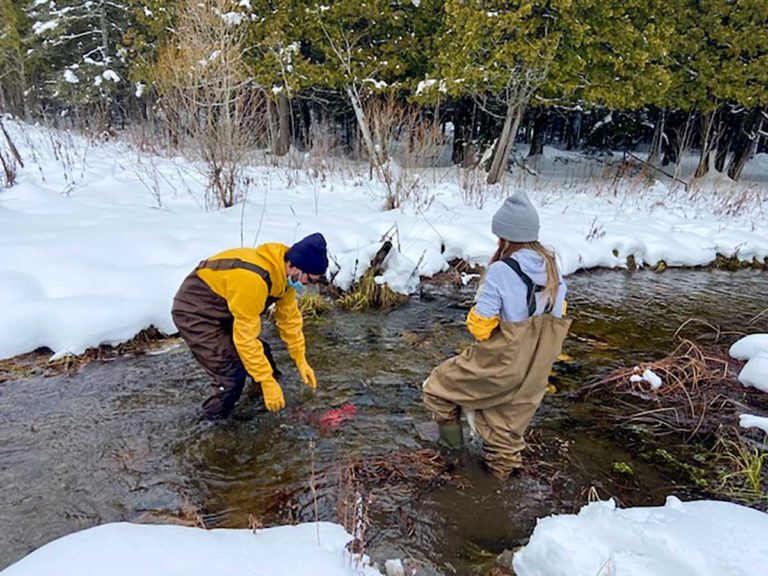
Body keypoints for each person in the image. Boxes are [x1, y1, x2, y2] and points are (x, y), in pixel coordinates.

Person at [422, 192, 571, 479]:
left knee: (438, 390)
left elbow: (481, 328)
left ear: (505, 236)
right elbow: (559, 313)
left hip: (503, 362)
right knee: (506, 436)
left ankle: (454, 459)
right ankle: (500, 491)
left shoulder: (501, 270)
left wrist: (476, 312)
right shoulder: (554, 267)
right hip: (538, 366)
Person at [172, 233, 328, 419]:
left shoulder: (283, 276)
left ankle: (262, 405)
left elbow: (289, 321)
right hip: (195, 312)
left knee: (264, 354)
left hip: (227, 309)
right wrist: (266, 380)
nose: (307, 285)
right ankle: (210, 426)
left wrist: (300, 359)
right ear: (294, 266)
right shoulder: (253, 281)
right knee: (231, 376)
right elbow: (245, 339)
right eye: (309, 280)